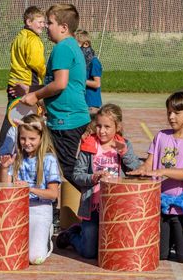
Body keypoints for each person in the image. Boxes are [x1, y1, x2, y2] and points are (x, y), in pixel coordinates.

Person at [129, 90, 183, 264]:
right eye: (169, 112)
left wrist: (162, 171)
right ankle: (170, 238)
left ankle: (181, 238)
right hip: (160, 206)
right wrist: (142, 170)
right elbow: (149, 163)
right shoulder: (161, 136)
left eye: (176, 113)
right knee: (159, 255)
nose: (171, 117)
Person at [56, 104, 141, 259]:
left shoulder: (124, 144)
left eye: (107, 127)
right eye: (99, 126)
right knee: (89, 252)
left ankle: (85, 233)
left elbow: (137, 169)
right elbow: (77, 175)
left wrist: (124, 153)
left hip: (115, 206)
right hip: (93, 206)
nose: (102, 131)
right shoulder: (89, 145)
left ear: (118, 127)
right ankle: (72, 235)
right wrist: (92, 177)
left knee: (114, 247)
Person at [21, 4, 90, 185]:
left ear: (64, 27)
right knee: (52, 161)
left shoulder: (62, 48)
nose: (46, 26)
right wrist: (30, 89)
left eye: (50, 23)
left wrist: (35, 97)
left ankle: (94, 198)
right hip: (66, 118)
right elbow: (62, 83)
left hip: (66, 120)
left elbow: (60, 84)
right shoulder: (70, 45)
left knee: (66, 168)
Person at [0, 114, 60, 265]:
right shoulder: (17, 157)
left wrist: (29, 189)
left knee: (34, 258)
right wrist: (4, 168)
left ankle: (46, 238)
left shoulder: (49, 159)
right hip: (18, 209)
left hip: (40, 209)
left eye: (32, 139)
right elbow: (6, 188)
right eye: (23, 138)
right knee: (8, 252)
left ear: (41, 138)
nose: (27, 143)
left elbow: (53, 194)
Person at [0, 6, 46, 150]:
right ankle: (7, 148)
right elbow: (37, 63)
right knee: (29, 117)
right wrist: (46, 72)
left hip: (14, 82)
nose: (43, 25)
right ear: (29, 22)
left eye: (44, 22)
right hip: (27, 83)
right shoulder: (33, 39)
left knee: (12, 116)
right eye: (40, 22)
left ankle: (4, 148)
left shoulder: (19, 36)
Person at [75, 29, 103, 115]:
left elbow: (97, 84)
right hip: (82, 103)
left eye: (76, 45)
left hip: (91, 105)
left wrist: (79, 80)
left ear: (86, 44)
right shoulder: (81, 61)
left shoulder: (94, 62)